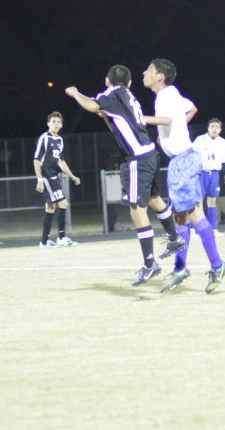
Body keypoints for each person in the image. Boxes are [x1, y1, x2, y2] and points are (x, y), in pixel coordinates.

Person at [65, 64, 185, 284]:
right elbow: (116, 125)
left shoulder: (112, 93)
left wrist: (75, 93)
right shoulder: (128, 95)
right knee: (154, 199)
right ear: (129, 83)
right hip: (149, 152)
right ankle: (174, 237)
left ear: (107, 80)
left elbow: (91, 105)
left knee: (136, 210)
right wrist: (105, 116)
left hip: (137, 159)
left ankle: (150, 264)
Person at [142, 58, 225, 293]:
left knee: (192, 215)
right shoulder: (173, 94)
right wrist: (171, 132)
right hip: (181, 160)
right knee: (181, 218)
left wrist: (139, 119)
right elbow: (191, 109)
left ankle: (216, 265)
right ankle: (182, 269)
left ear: (159, 76)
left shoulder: (165, 96)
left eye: (149, 70)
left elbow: (169, 119)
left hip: (183, 160)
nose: (144, 73)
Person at [33, 112, 81, 248]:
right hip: (46, 176)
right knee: (63, 204)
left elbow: (61, 161)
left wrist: (72, 176)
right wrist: (40, 179)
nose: (56, 124)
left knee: (51, 207)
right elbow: (36, 159)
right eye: (53, 121)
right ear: (48, 123)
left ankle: (45, 241)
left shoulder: (60, 140)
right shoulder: (44, 138)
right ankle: (61, 238)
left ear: (61, 125)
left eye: (58, 122)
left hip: (54, 176)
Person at [192, 118, 225, 236]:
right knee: (197, 202)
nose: (214, 129)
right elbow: (191, 156)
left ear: (220, 130)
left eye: (217, 127)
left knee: (212, 201)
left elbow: (223, 160)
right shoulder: (200, 139)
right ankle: (192, 230)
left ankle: (213, 229)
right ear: (208, 128)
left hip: (214, 174)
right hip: (201, 173)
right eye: (212, 126)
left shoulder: (222, 142)